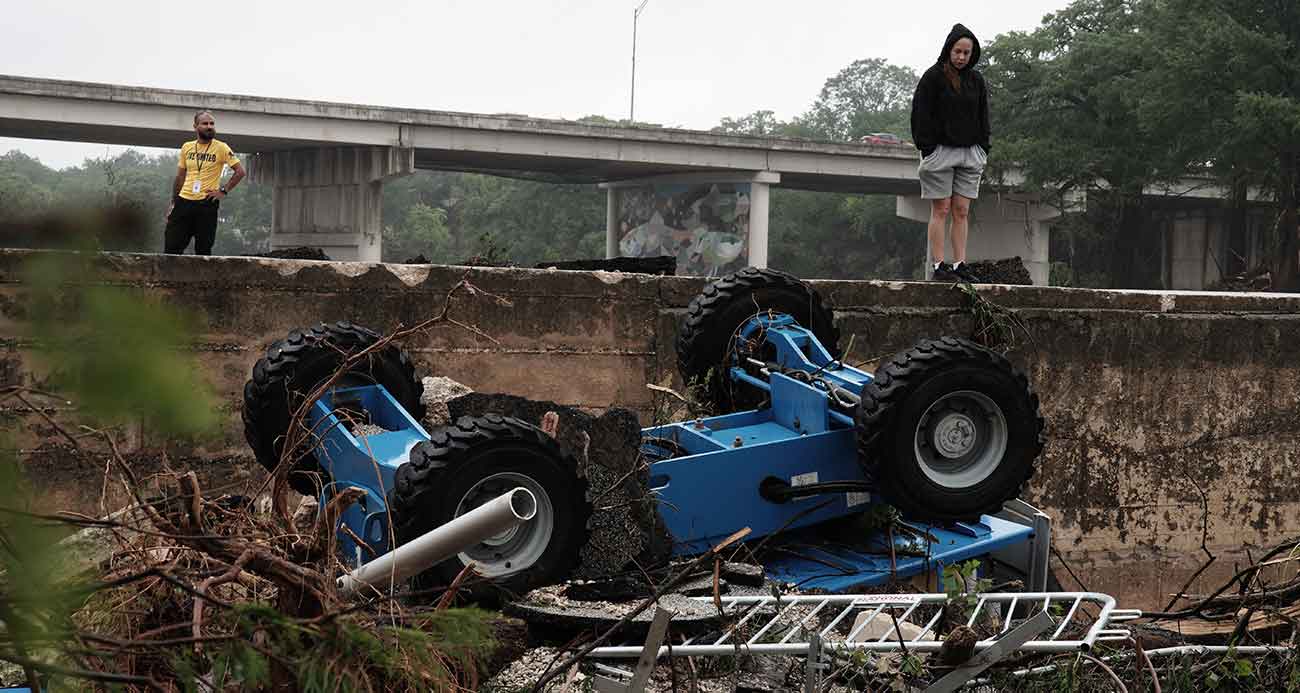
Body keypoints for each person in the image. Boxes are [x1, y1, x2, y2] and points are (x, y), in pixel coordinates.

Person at [910, 23, 991, 283]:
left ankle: (959, 265)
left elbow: (983, 115)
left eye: (967, 53)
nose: (961, 57)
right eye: (958, 51)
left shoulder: (976, 80)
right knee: (941, 208)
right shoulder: (933, 77)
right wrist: (928, 148)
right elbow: (920, 113)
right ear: (949, 49)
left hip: (970, 152)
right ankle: (938, 265)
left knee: (962, 210)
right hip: (940, 152)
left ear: (972, 54)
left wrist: (982, 147)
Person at [164, 111, 246, 255]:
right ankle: (168, 277)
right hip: (184, 202)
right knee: (172, 246)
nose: (209, 127)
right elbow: (180, 176)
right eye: (205, 123)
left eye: (212, 124)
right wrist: (173, 203)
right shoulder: (187, 147)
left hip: (207, 203)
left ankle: (201, 278)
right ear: (195, 126)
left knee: (203, 248)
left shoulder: (221, 147)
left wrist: (223, 191)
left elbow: (240, 172)